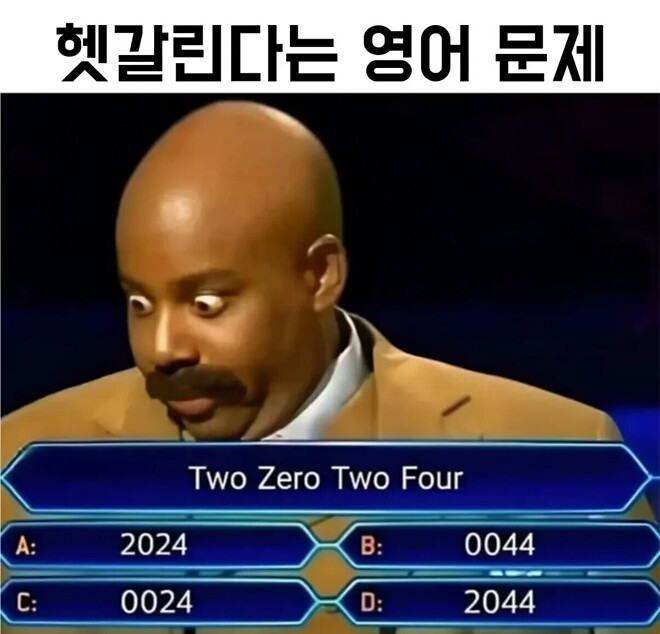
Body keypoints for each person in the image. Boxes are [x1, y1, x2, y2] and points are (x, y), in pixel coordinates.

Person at [1, 101, 656, 634]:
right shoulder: (22, 465)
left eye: (206, 304)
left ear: (320, 276)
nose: (163, 348)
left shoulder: (561, 456)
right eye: (140, 304)